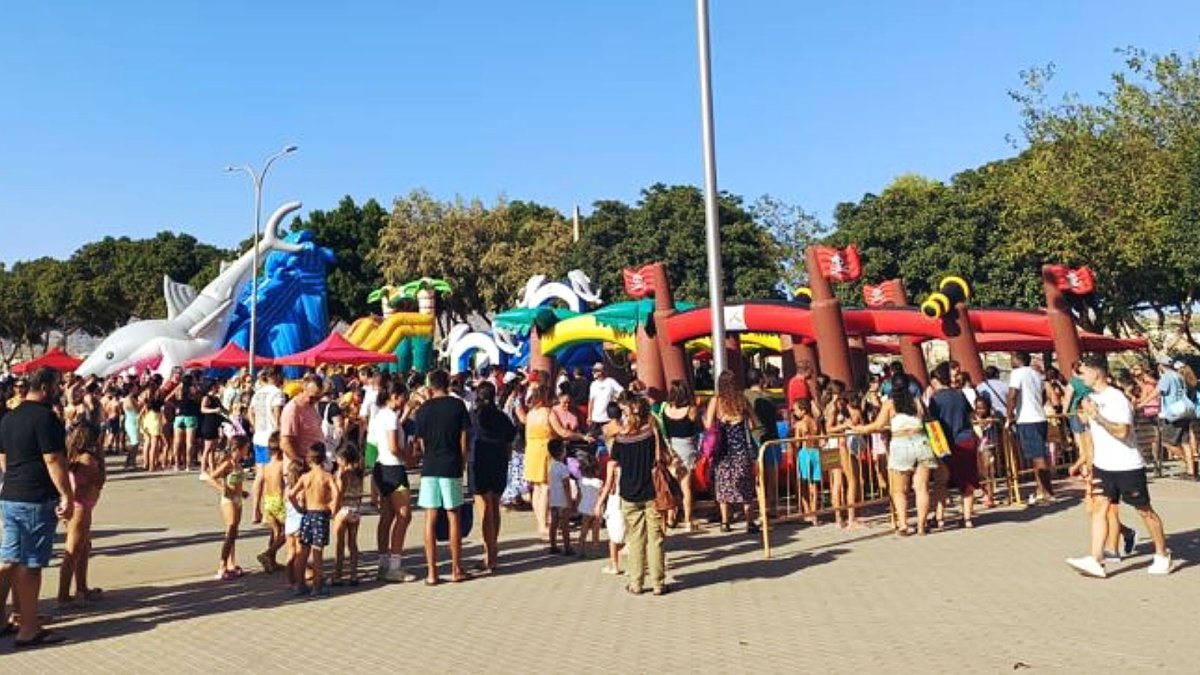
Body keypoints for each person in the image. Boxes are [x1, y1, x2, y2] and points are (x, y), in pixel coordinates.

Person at [1066, 356, 1172, 577]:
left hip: (1127, 466)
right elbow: (1091, 432)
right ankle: (1096, 559)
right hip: (1103, 466)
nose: (1080, 377)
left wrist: (1098, 417)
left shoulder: (1116, 398)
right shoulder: (1091, 398)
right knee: (1099, 509)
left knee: (1144, 511)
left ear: (1096, 373)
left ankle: (1162, 554)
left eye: (1083, 373)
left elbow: (1123, 432)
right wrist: (1088, 459)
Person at [0, 367, 72, 647]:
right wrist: (66, 494)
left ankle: (4, 619)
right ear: (45, 386)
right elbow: (53, 459)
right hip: (35, 497)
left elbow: (3, 458)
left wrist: (15, 478)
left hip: (11, 494)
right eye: (57, 385)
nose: (59, 390)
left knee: (9, 560)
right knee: (30, 564)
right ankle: (29, 628)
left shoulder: (9, 417)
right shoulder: (45, 418)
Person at [595, 396, 668, 595]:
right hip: (652, 491)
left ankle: (636, 583)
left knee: (635, 539)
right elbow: (660, 458)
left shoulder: (620, 440)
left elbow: (614, 462)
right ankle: (658, 583)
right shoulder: (650, 435)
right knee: (655, 539)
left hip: (628, 493)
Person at [854, 373, 936, 536]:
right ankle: (921, 526)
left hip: (900, 443)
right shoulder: (917, 401)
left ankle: (904, 525)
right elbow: (927, 420)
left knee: (899, 490)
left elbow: (877, 425)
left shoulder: (889, 404)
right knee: (922, 488)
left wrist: (858, 429)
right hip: (921, 441)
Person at [413, 369, 471, 585]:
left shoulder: (423, 409)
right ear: (447, 384)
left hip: (430, 466)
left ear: (430, 385)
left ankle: (432, 572)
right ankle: (456, 568)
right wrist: (462, 463)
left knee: (430, 517)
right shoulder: (457, 406)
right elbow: (463, 440)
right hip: (451, 463)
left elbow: (421, 443)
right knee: (453, 514)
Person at [520, 376, 592, 537]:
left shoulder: (531, 413)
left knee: (537, 488)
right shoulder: (548, 413)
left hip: (532, 449)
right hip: (545, 449)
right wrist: (581, 436)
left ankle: (541, 522)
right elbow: (562, 432)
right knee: (546, 488)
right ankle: (543, 524)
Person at [369, 381, 418, 583]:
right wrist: (409, 458)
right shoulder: (389, 416)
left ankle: (383, 563)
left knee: (387, 516)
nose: (405, 400)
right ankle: (394, 566)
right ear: (395, 396)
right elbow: (393, 447)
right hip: (393, 467)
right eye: (403, 396)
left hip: (381, 466)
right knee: (404, 515)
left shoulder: (380, 414)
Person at [705, 371, 759, 534]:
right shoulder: (742, 400)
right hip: (741, 449)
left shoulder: (716, 401)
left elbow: (708, 425)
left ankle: (725, 522)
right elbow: (755, 423)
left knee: (723, 485)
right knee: (746, 486)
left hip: (723, 450)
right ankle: (750, 522)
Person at [470, 381, 516, 572]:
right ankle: (493, 550)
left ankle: (489, 556)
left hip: (479, 462)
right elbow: (510, 440)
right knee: (494, 507)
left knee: (484, 510)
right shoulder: (501, 417)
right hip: (498, 461)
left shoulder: (474, 416)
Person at [58, 423, 105, 605]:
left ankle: (82, 588)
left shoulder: (71, 455)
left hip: (78, 505)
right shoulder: (86, 458)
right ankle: (63, 596)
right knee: (73, 551)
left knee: (83, 548)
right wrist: (101, 455)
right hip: (80, 508)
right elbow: (100, 480)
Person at [928, 362, 980, 528]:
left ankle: (939, 517)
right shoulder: (959, 394)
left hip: (944, 443)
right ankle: (967, 518)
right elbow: (971, 414)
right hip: (965, 439)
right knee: (967, 481)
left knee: (941, 481)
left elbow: (932, 423)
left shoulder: (935, 399)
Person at [289, 443, 341, 596]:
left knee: (303, 551)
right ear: (324, 458)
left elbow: (291, 494)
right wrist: (334, 509)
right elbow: (337, 493)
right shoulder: (327, 476)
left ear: (309, 459)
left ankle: (299, 585)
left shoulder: (305, 477)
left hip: (307, 514)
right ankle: (317, 587)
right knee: (317, 552)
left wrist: (298, 508)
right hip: (321, 514)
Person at [1007, 352, 1053, 504]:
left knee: (1038, 456)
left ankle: (1047, 492)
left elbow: (1012, 395)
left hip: (1027, 419)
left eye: (1012, 358)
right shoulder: (1036, 374)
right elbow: (1044, 394)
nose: (1010, 361)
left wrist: (1009, 415)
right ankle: (1041, 489)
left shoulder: (1017, 373)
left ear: (1018, 360)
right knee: (1038, 455)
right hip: (1040, 417)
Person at [208, 435, 250, 580]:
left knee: (233, 532)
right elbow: (211, 477)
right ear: (239, 448)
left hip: (237, 499)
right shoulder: (228, 463)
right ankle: (222, 565)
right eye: (246, 448)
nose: (248, 451)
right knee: (231, 529)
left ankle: (231, 563)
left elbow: (236, 483)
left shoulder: (237, 463)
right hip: (229, 500)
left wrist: (242, 492)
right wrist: (223, 489)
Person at [661, 380, 700, 531]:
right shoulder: (691, 410)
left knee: (671, 486)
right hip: (687, 447)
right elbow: (697, 427)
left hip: (671, 447)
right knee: (686, 487)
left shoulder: (666, 408)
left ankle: (670, 517)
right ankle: (688, 520)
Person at [249, 368, 285, 523]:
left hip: (259, 436)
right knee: (271, 475)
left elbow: (250, 412)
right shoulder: (277, 393)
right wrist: (279, 432)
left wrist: (255, 426)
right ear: (276, 376)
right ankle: (266, 513)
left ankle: (255, 511)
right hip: (271, 438)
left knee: (260, 475)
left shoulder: (258, 393)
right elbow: (278, 415)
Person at [1155, 356, 1196, 479]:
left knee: (1167, 442)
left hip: (1173, 413)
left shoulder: (1166, 377)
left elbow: (1158, 391)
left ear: (1160, 365)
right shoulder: (1179, 376)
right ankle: (1191, 471)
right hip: (1185, 410)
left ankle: (1190, 464)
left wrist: (1143, 403)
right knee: (1185, 442)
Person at [254, 433, 286, 574]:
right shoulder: (282, 465)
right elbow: (283, 485)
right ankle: (268, 553)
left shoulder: (266, 466)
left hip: (269, 500)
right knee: (289, 531)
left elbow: (264, 484)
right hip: (279, 500)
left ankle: (271, 561)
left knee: (275, 532)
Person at [333, 445, 364, 586]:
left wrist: (334, 510)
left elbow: (339, 493)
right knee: (352, 543)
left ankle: (337, 575)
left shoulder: (343, 474)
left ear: (344, 459)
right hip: (355, 510)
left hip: (343, 510)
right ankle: (353, 575)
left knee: (339, 544)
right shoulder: (359, 473)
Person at [791, 397, 822, 525]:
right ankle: (814, 514)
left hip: (805, 452)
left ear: (803, 410)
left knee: (803, 483)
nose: (794, 412)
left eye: (796, 410)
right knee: (814, 485)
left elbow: (797, 443)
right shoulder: (815, 422)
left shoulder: (800, 424)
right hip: (815, 452)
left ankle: (807, 511)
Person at [547, 441, 575, 555]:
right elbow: (566, 485)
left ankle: (553, 545)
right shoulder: (563, 467)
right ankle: (567, 547)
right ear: (562, 451)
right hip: (562, 499)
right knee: (564, 524)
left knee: (554, 522)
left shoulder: (551, 466)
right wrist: (569, 500)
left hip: (553, 498)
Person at [576, 454, 603, 558]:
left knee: (584, 529)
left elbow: (579, 495)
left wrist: (577, 505)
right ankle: (595, 551)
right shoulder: (599, 482)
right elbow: (601, 495)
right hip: (596, 508)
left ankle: (581, 550)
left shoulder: (581, 481)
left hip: (585, 507)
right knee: (595, 531)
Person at [586, 362, 624, 437]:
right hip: (595, 418)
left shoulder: (610, 381)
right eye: (593, 370)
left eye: (595, 370)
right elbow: (591, 401)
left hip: (608, 418)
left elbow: (622, 391)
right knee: (593, 438)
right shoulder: (593, 384)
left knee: (609, 438)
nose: (593, 372)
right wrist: (589, 416)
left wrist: (616, 399)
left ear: (601, 371)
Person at [198, 380, 224, 480]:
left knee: (213, 449)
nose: (218, 387)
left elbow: (222, 409)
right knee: (207, 448)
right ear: (212, 387)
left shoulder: (216, 398)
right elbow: (202, 409)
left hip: (215, 424)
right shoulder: (206, 397)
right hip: (208, 424)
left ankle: (213, 469)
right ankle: (203, 470)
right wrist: (214, 410)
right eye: (216, 386)